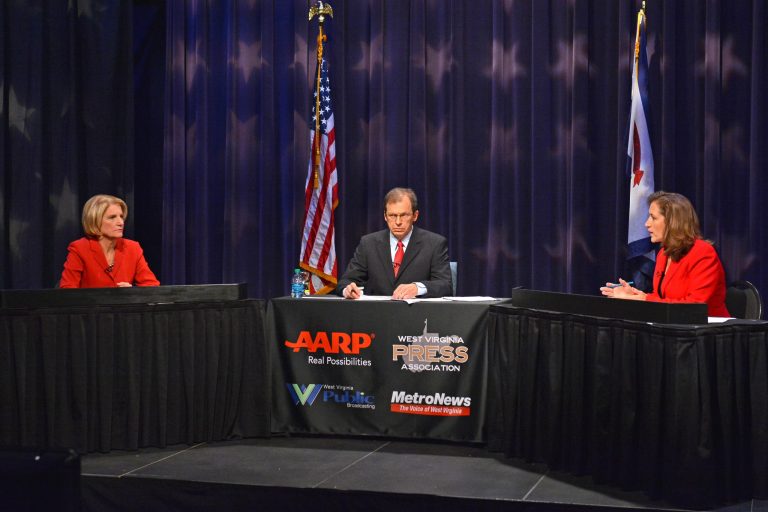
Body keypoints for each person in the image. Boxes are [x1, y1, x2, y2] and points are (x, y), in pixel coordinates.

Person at [600, 191, 729, 317]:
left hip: (708, 333)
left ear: (672, 222)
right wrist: (634, 295)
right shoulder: (664, 253)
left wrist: (643, 300)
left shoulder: (702, 252)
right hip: (673, 329)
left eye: (653, 218)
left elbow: (694, 306)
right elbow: (661, 298)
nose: (647, 224)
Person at [337, 187, 452, 300]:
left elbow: (445, 285)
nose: (398, 222)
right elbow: (345, 282)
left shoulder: (435, 244)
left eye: (403, 215)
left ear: (415, 216)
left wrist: (418, 288)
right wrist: (347, 290)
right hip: (376, 315)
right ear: (385, 216)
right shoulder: (368, 244)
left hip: (417, 315)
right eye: (392, 216)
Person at [59, 194, 160, 288]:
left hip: (123, 307)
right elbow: (68, 291)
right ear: (95, 221)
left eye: (121, 216)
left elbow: (152, 287)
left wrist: (132, 293)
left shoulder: (133, 248)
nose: (120, 222)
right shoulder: (80, 249)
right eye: (112, 217)